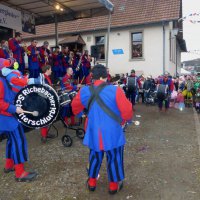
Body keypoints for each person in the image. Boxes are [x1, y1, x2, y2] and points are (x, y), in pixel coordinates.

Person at [71, 64, 133, 195]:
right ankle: (113, 186)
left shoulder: (85, 91)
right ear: (105, 76)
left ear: (93, 77)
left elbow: (74, 107)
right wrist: (125, 120)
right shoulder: (115, 90)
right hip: (112, 131)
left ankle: (92, 182)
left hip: (94, 130)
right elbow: (127, 111)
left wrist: (81, 114)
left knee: (94, 157)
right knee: (115, 157)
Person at [0, 58, 37, 182]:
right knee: (18, 140)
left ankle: (9, 165)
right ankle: (20, 173)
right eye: (8, 66)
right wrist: (14, 109)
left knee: (11, 140)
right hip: (6, 116)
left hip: (7, 115)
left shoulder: (4, 79)